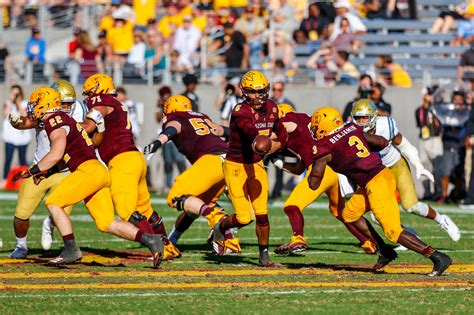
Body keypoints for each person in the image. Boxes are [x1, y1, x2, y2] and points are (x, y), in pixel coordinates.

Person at [12, 87, 164, 267]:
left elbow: (56, 153)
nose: (32, 108)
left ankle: (71, 249)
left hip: (89, 171)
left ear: (44, 104)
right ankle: (152, 240)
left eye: (35, 103)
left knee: (53, 202)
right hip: (98, 172)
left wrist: (32, 170)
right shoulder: (64, 119)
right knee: (107, 223)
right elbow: (71, 154)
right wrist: (47, 171)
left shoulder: (55, 119)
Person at [308, 106, 452, 276]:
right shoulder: (351, 128)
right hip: (379, 175)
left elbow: (313, 184)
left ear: (324, 125)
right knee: (350, 214)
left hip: (377, 183)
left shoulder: (325, 148)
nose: (314, 130)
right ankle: (385, 251)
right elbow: (382, 142)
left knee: (393, 232)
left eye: (316, 126)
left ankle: (438, 257)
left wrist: (313, 159)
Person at [81, 74, 180, 261]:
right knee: (146, 211)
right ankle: (168, 246)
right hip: (135, 158)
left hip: (122, 161)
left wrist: (71, 127)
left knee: (126, 211)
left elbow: (90, 123)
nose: (88, 98)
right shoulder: (117, 103)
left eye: (89, 93)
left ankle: (159, 247)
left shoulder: (101, 100)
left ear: (97, 90)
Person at [272, 104, 382, 256]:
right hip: (332, 169)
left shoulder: (290, 120)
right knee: (339, 211)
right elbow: (298, 169)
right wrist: (280, 163)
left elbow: (280, 127)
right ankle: (368, 242)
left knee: (292, 205)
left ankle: (298, 239)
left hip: (320, 169)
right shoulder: (305, 125)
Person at [352, 99, 461, 242]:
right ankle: (406, 234)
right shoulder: (351, 132)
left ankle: (442, 220)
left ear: (373, 116)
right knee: (377, 215)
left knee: (411, 206)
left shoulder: (386, 125)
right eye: (357, 118)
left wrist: (418, 164)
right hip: (377, 174)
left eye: (364, 117)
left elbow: (404, 145)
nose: (361, 122)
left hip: (395, 165)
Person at [143, 95, 240, 254]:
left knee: (175, 196)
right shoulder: (202, 116)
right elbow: (227, 132)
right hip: (228, 160)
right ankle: (229, 240)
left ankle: (217, 218)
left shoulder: (176, 117)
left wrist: (157, 143)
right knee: (195, 205)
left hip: (212, 161)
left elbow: (172, 129)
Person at [213, 70, 288, 267]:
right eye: (252, 92)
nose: (257, 96)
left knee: (262, 214)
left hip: (256, 164)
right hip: (235, 165)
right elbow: (250, 130)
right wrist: (259, 141)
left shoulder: (272, 107)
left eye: (261, 91)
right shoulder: (240, 110)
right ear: (244, 92)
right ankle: (220, 227)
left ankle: (264, 256)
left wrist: (276, 147)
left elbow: (282, 132)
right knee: (245, 218)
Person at [8, 80, 87, 258]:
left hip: (64, 171)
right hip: (40, 168)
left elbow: (86, 132)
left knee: (60, 212)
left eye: (68, 104)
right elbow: (26, 122)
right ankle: (21, 246)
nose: (66, 107)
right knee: (21, 213)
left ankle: (50, 225)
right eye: (63, 103)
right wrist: (16, 122)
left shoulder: (76, 113)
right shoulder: (44, 112)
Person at [156, 86, 187, 192]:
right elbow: (158, 119)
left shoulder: (175, 104)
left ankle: (185, 182)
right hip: (165, 138)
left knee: (179, 160)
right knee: (168, 162)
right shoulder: (160, 106)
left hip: (175, 136)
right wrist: (160, 107)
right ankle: (167, 185)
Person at [415, 86, 443, 201]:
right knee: (424, 164)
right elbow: (420, 124)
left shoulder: (437, 108)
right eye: (428, 94)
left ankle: (438, 192)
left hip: (434, 139)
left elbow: (439, 125)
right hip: (423, 139)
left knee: (437, 166)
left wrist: (433, 110)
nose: (429, 97)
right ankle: (427, 192)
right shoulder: (419, 110)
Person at [2, 85, 32, 181]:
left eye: (16, 93)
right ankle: (5, 179)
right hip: (9, 137)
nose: (14, 95)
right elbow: (6, 113)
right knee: (8, 159)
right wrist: (10, 102)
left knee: (22, 159)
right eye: (13, 93)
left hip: (22, 137)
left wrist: (18, 102)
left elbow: (24, 115)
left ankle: (24, 180)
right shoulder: (8, 103)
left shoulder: (25, 103)